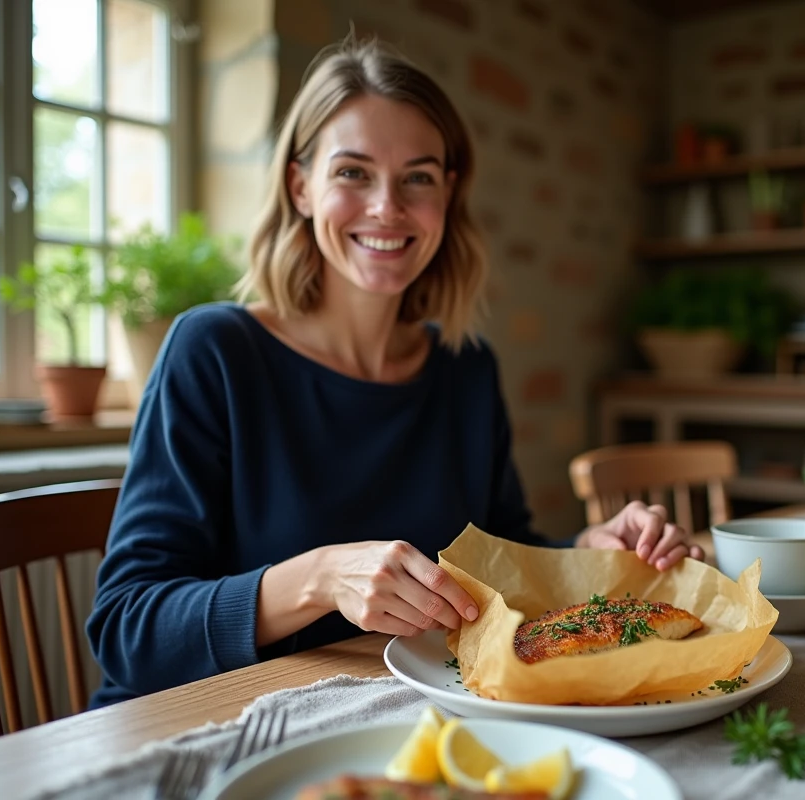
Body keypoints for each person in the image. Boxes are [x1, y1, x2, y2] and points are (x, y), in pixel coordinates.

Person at [85, 37, 704, 708]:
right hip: (211, 728)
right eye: (353, 172)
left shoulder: (466, 369)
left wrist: (590, 548)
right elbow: (127, 630)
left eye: (418, 176)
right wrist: (319, 577)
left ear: (448, 193)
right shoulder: (214, 351)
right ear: (301, 187)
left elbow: (503, 560)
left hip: (400, 713)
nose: (388, 206)